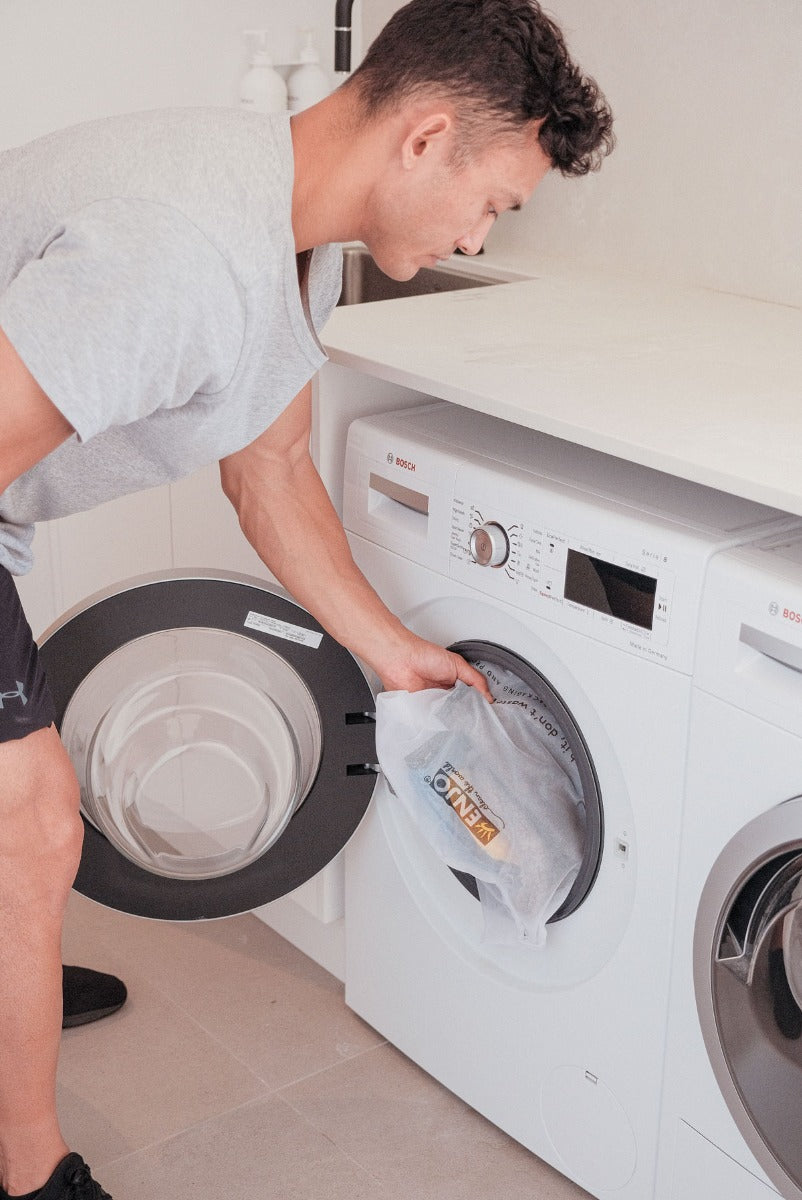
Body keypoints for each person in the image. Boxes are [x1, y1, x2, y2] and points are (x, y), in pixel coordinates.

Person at [0, 0, 613, 1194]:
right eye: (492, 202)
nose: (479, 236)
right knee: (31, 820)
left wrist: (389, 651)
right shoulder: (181, 252)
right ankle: (29, 1168)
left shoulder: (295, 238)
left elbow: (267, 469)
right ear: (427, 137)